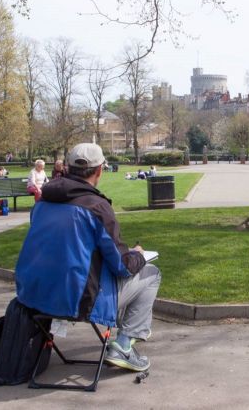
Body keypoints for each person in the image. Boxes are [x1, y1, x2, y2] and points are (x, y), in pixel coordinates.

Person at [15, 143, 160, 373]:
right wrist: (138, 255)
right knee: (151, 274)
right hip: (79, 301)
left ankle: (131, 329)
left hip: (35, 295)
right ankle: (125, 341)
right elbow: (122, 267)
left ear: (67, 168)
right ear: (100, 170)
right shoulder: (96, 207)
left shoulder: (42, 203)